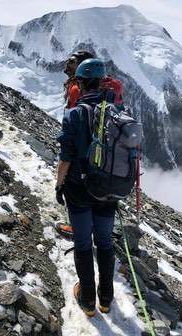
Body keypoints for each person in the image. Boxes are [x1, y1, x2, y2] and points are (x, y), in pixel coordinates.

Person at [55, 58, 118, 316]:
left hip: (78, 190)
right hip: (108, 189)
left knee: (82, 243)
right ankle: (106, 298)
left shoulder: (73, 114)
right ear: (103, 82)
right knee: (104, 242)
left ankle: (88, 300)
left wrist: (59, 185)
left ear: (79, 84)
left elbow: (65, 158)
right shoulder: (117, 113)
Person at [55, 54, 124, 240]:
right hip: (109, 159)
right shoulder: (108, 92)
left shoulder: (77, 90)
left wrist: (59, 183)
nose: (68, 63)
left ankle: (81, 228)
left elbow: (77, 115)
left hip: (84, 146)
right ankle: (100, 229)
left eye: (73, 61)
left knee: (82, 185)